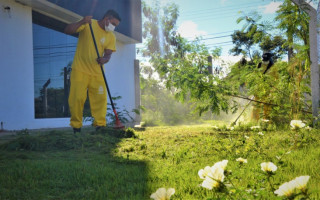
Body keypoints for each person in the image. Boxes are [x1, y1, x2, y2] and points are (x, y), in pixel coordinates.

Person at [64, 10, 121, 133]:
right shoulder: (89, 24)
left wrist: (104, 59)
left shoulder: (111, 36)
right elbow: (67, 30)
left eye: (116, 25)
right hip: (80, 69)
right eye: (113, 23)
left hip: (97, 72)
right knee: (77, 99)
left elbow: (108, 55)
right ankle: (76, 127)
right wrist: (82, 21)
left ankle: (100, 126)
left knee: (100, 100)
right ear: (106, 18)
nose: (114, 27)